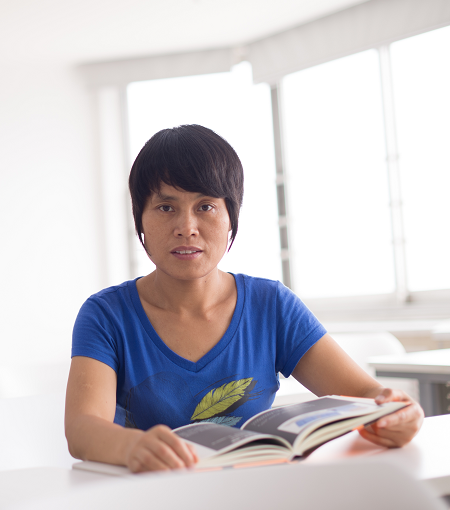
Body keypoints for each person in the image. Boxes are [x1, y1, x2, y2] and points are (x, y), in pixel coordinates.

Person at [65, 124, 424, 473]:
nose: (186, 227)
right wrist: (132, 447)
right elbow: (82, 429)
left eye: (205, 206)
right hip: (149, 496)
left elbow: (365, 394)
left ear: (231, 217)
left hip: (255, 493)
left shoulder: (272, 305)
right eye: (166, 208)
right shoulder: (106, 315)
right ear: (140, 219)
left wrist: (399, 413)